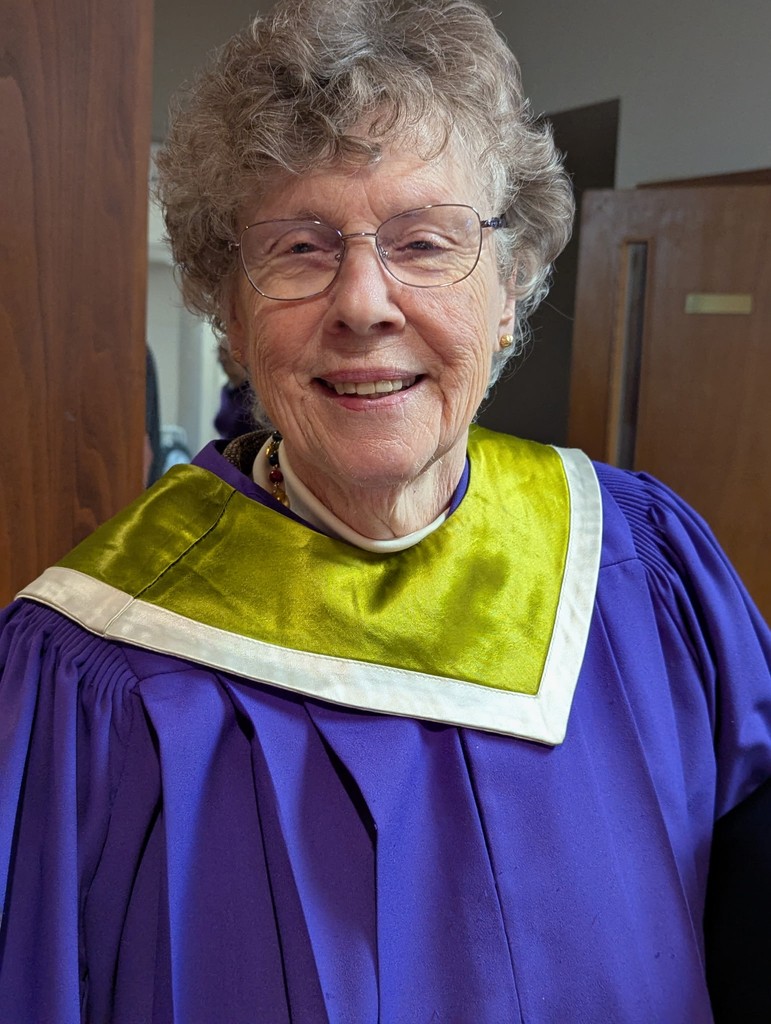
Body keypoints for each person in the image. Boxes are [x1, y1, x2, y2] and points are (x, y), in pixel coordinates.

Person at [0, 0, 769, 1020]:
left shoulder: (644, 570)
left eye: (426, 240)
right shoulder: (84, 673)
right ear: (231, 309)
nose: (365, 301)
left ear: (510, 290)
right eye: (301, 248)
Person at [214, 338, 255, 438]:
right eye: (220, 352)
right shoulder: (226, 390)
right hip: (227, 451)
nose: (223, 358)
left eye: (226, 352)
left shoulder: (254, 392)